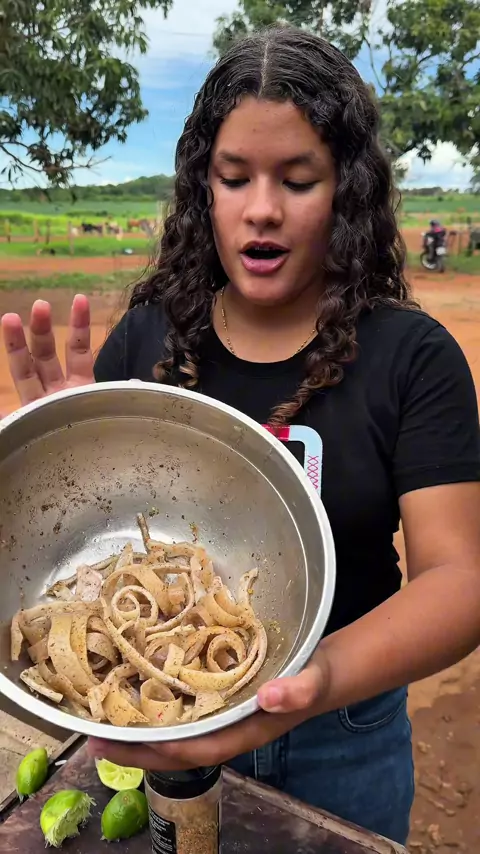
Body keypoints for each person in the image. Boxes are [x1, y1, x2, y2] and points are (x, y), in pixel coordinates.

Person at [2, 26, 480, 847]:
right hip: (160, 721)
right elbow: (106, 528)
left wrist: (318, 676)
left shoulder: (412, 356)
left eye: (298, 179)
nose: (262, 207)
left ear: (347, 191)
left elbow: (460, 578)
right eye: (233, 178)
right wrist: (73, 452)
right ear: (204, 189)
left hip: (343, 734)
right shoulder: (149, 336)